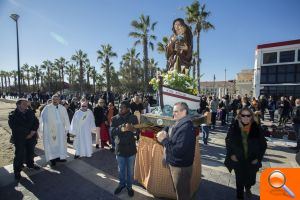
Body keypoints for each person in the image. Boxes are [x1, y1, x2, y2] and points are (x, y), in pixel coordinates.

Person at [224, 107, 267, 200]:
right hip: (238, 159)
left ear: (251, 116)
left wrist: (258, 158)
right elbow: (228, 141)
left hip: (251, 159)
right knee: (239, 180)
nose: (246, 118)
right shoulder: (234, 126)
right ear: (239, 116)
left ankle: (248, 188)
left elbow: (263, 145)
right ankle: (239, 196)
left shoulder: (256, 127)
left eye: (248, 115)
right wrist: (231, 154)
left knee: (250, 178)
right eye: (243, 115)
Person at [156, 102, 195, 200]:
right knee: (179, 191)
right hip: (176, 164)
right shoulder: (179, 121)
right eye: (173, 112)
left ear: (184, 111)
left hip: (181, 168)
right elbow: (169, 126)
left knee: (182, 195)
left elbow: (178, 151)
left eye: (176, 112)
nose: (174, 114)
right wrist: (164, 131)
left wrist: (164, 140)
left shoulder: (186, 127)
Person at [111, 101, 139, 197]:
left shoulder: (133, 118)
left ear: (127, 108)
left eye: (122, 107)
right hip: (120, 149)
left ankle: (129, 187)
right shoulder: (115, 118)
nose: (120, 109)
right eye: (119, 107)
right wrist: (121, 128)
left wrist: (133, 129)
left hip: (131, 148)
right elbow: (111, 132)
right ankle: (121, 184)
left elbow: (138, 131)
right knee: (121, 169)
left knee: (130, 171)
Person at [8, 98, 40, 180]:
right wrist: (26, 134)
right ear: (18, 105)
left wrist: (32, 132)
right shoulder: (12, 115)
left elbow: (36, 122)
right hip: (20, 138)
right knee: (19, 154)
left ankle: (30, 164)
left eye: (26, 103)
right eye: (24, 103)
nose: (26, 105)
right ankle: (17, 171)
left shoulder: (30, 112)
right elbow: (14, 127)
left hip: (31, 136)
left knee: (31, 151)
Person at [39, 94, 70, 166]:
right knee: (52, 144)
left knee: (60, 143)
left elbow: (66, 118)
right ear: (52, 100)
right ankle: (52, 159)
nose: (55, 101)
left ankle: (60, 157)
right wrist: (42, 129)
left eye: (57, 99)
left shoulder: (62, 108)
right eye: (54, 99)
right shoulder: (47, 108)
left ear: (59, 100)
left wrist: (67, 128)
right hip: (51, 130)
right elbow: (42, 118)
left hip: (61, 129)